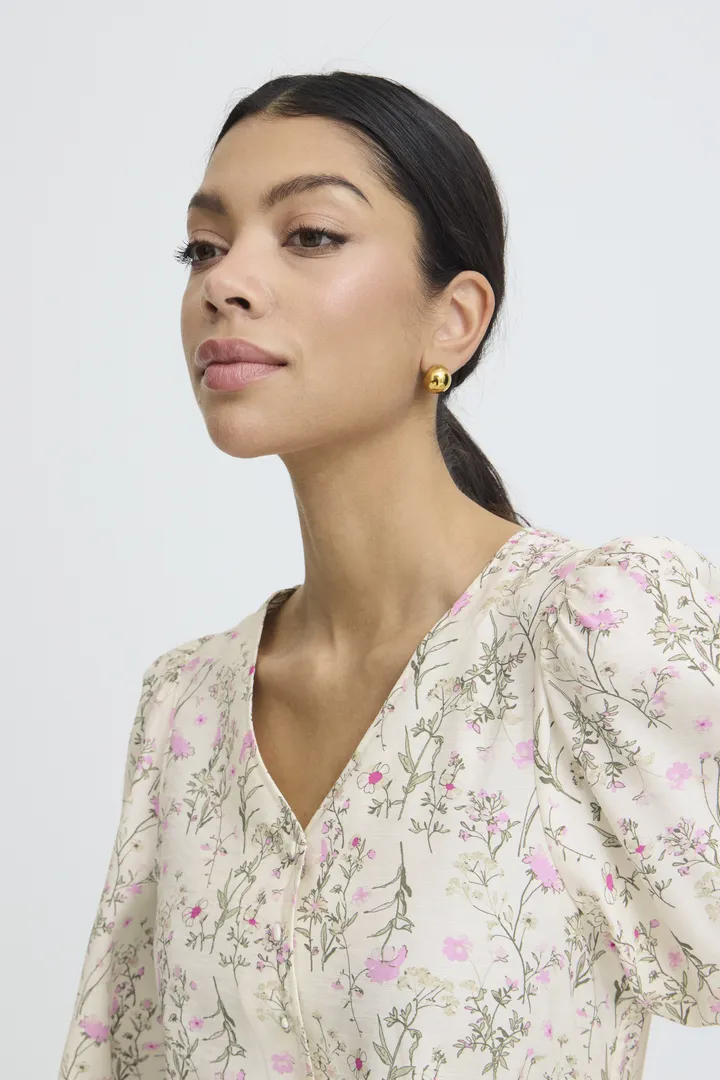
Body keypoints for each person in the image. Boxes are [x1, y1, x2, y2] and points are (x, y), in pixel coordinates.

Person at [57, 71, 720, 1080]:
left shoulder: (595, 631)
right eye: (204, 246)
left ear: (454, 319)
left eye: (310, 235)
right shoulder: (185, 709)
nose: (225, 282)